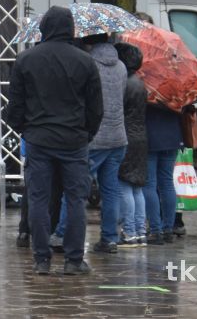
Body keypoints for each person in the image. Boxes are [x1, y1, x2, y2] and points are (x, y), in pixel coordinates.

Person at [4, 6, 102, 276]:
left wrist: (25, 129)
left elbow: (15, 106)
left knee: (38, 199)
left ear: (44, 27)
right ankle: (73, 259)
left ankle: (41, 259)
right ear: (71, 28)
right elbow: (96, 108)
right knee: (76, 199)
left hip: (38, 138)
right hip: (74, 140)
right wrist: (87, 133)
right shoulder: (85, 61)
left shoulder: (25, 60)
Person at [49, 35, 127, 255]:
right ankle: (109, 238)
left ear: (88, 42)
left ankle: (62, 234)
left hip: (94, 138)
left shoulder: (87, 64)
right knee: (110, 191)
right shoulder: (121, 66)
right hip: (118, 136)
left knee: (75, 189)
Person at [115, 43, 149, 248]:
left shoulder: (124, 84)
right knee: (137, 187)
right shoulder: (140, 84)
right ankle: (140, 231)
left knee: (124, 185)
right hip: (141, 136)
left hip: (126, 135)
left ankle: (128, 232)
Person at [144, 101, 183, 244]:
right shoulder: (177, 89)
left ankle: (155, 230)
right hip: (173, 135)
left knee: (149, 184)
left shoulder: (149, 88)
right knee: (167, 183)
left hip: (150, 135)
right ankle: (168, 229)